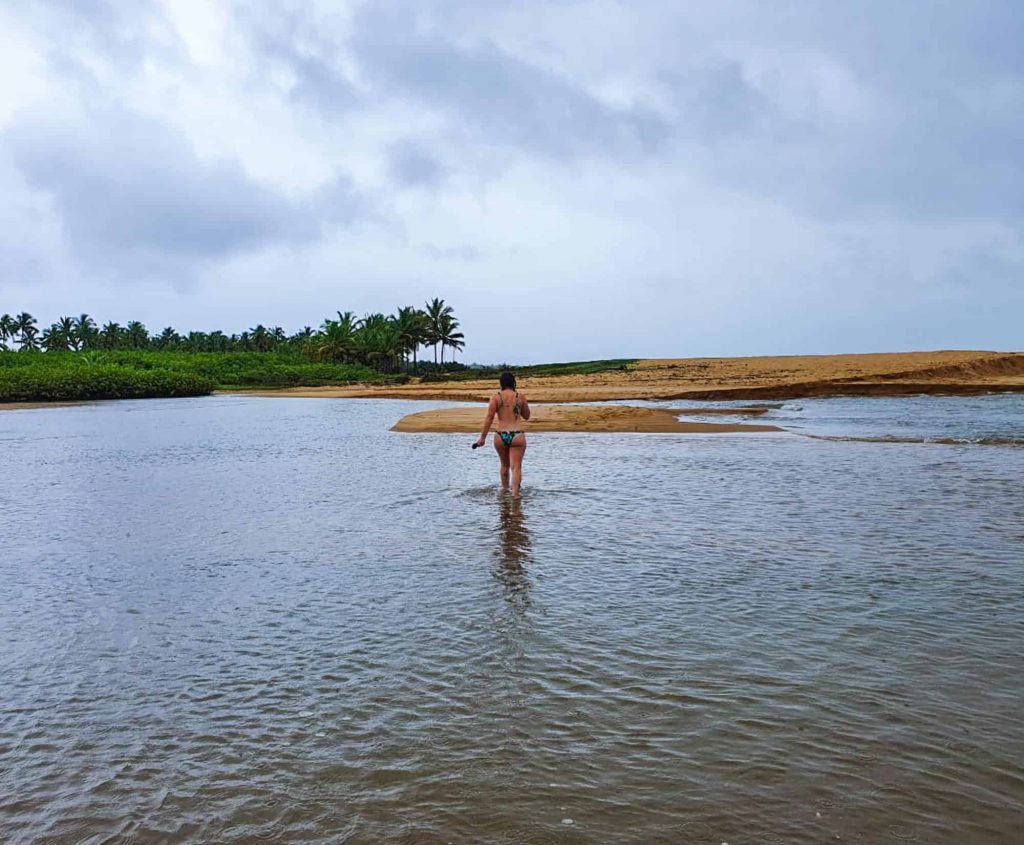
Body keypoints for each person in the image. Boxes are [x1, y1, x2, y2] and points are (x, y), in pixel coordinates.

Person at [474, 371, 531, 496]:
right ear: (513, 383)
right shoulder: (520, 397)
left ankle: (505, 493)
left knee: (504, 466)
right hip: (517, 434)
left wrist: (482, 438)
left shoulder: (496, 398)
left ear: (501, 383)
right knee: (516, 467)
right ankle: (515, 495)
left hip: (500, 435)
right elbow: (527, 416)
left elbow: (489, 418)